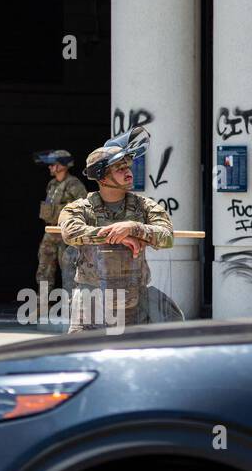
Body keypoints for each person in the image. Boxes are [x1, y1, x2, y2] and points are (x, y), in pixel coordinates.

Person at [59, 127, 174, 333]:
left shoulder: (144, 206)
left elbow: (167, 237)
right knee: (84, 356)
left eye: (128, 167)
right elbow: (71, 233)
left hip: (133, 300)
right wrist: (120, 236)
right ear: (102, 177)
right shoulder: (79, 207)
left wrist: (133, 227)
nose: (129, 172)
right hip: (91, 299)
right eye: (120, 169)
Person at [34, 149, 87, 293]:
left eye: (53, 164)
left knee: (69, 267)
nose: (50, 167)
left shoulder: (74, 184)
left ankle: (71, 303)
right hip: (51, 231)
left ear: (63, 165)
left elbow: (85, 207)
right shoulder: (52, 184)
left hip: (67, 232)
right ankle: (43, 301)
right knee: (44, 267)